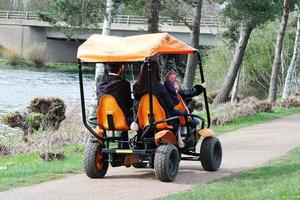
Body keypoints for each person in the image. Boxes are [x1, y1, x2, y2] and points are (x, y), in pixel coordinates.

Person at [133, 60, 186, 146]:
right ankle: (178, 140)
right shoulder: (159, 87)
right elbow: (171, 105)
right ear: (156, 72)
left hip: (142, 121)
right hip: (161, 121)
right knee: (180, 116)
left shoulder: (136, 87)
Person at [96, 63, 132, 149]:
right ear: (121, 68)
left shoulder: (99, 84)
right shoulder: (124, 84)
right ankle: (127, 145)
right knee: (128, 112)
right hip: (122, 122)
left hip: (103, 121)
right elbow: (128, 103)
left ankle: (103, 143)